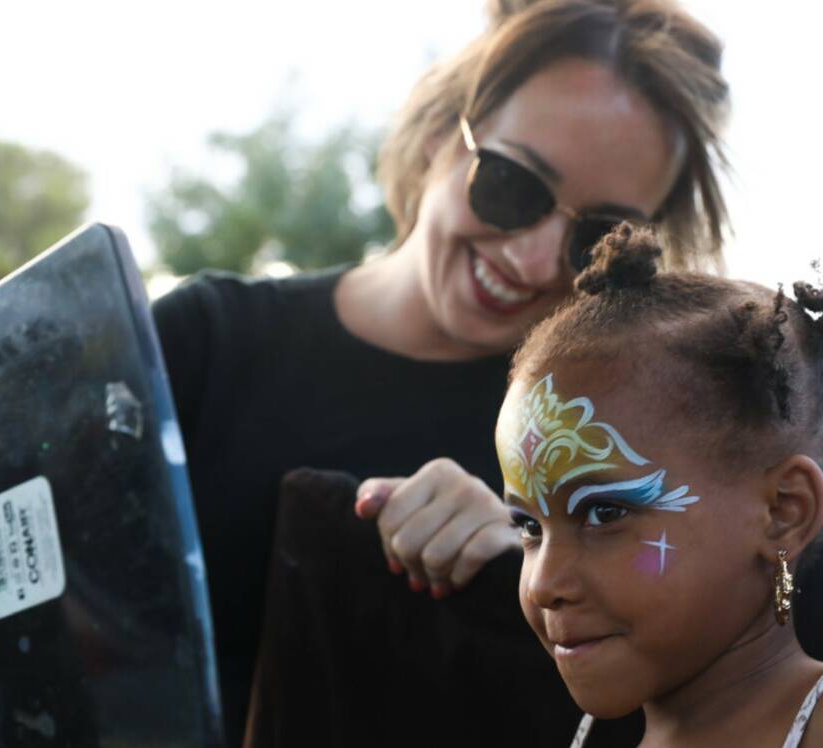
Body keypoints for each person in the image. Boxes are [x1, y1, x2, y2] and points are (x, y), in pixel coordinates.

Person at [153, 0, 730, 744]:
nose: (530, 261)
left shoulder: (607, 454)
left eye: (594, 238)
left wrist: (524, 561)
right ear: (438, 138)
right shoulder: (205, 343)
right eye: (513, 185)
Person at [489, 224, 823, 747]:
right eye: (529, 526)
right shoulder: (590, 736)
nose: (543, 584)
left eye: (604, 513)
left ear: (783, 511)